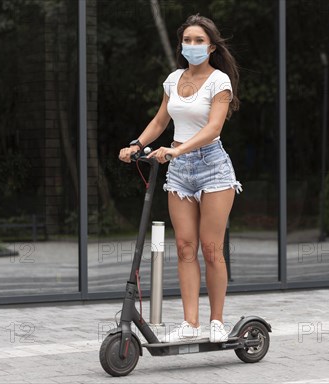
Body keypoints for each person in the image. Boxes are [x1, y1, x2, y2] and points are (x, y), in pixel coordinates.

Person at [118, 14, 241, 343]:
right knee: (185, 247)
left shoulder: (220, 82)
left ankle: (216, 321)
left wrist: (178, 149)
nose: (192, 45)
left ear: (211, 46)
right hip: (180, 170)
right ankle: (190, 322)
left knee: (211, 248)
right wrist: (137, 145)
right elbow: (160, 122)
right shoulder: (173, 80)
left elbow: (214, 128)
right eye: (187, 40)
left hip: (212, 166)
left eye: (199, 40)